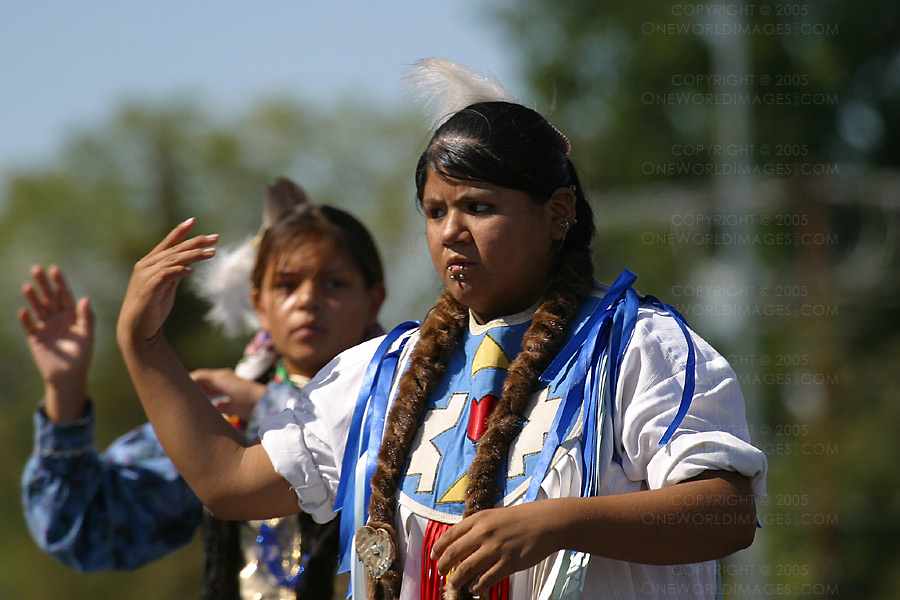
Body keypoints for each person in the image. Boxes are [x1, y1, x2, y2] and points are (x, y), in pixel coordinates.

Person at [115, 59, 767, 600]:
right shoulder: (382, 374)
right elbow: (230, 482)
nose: (451, 230)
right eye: (434, 210)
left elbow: (726, 512)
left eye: (479, 207)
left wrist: (556, 523)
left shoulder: (637, 348)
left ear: (558, 213)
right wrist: (143, 346)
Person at [20, 177, 386, 600]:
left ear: (373, 300)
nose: (308, 299)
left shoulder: (405, 398)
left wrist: (270, 405)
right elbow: (90, 530)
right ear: (258, 302)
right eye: (287, 284)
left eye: (334, 283)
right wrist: (65, 393)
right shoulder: (222, 413)